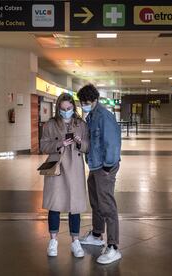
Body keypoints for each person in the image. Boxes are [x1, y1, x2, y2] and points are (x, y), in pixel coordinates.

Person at [77, 84, 122, 264]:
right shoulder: (92, 116)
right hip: (95, 166)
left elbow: (112, 144)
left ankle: (113, 246)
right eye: (82, 103)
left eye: (86, 102)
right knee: (96, 201)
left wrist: (106, 167)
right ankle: (97, 235)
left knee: (107, 206)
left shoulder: (104, 117)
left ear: (95, 100)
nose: (84, 105)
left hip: (104, 167)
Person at [40, 93, 89, 258]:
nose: (66, 112)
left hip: (74, 167)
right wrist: (60, 143)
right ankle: (53, 241)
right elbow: (44, 145)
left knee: (74, 205)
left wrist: (79, 142)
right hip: (57, 167)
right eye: (63, 109)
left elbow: (87, 146)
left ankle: (75, 241)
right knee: (55, 204)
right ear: (58, 109)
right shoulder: (51, 124)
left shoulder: (81, 124)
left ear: (73, 107)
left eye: (69, 108)